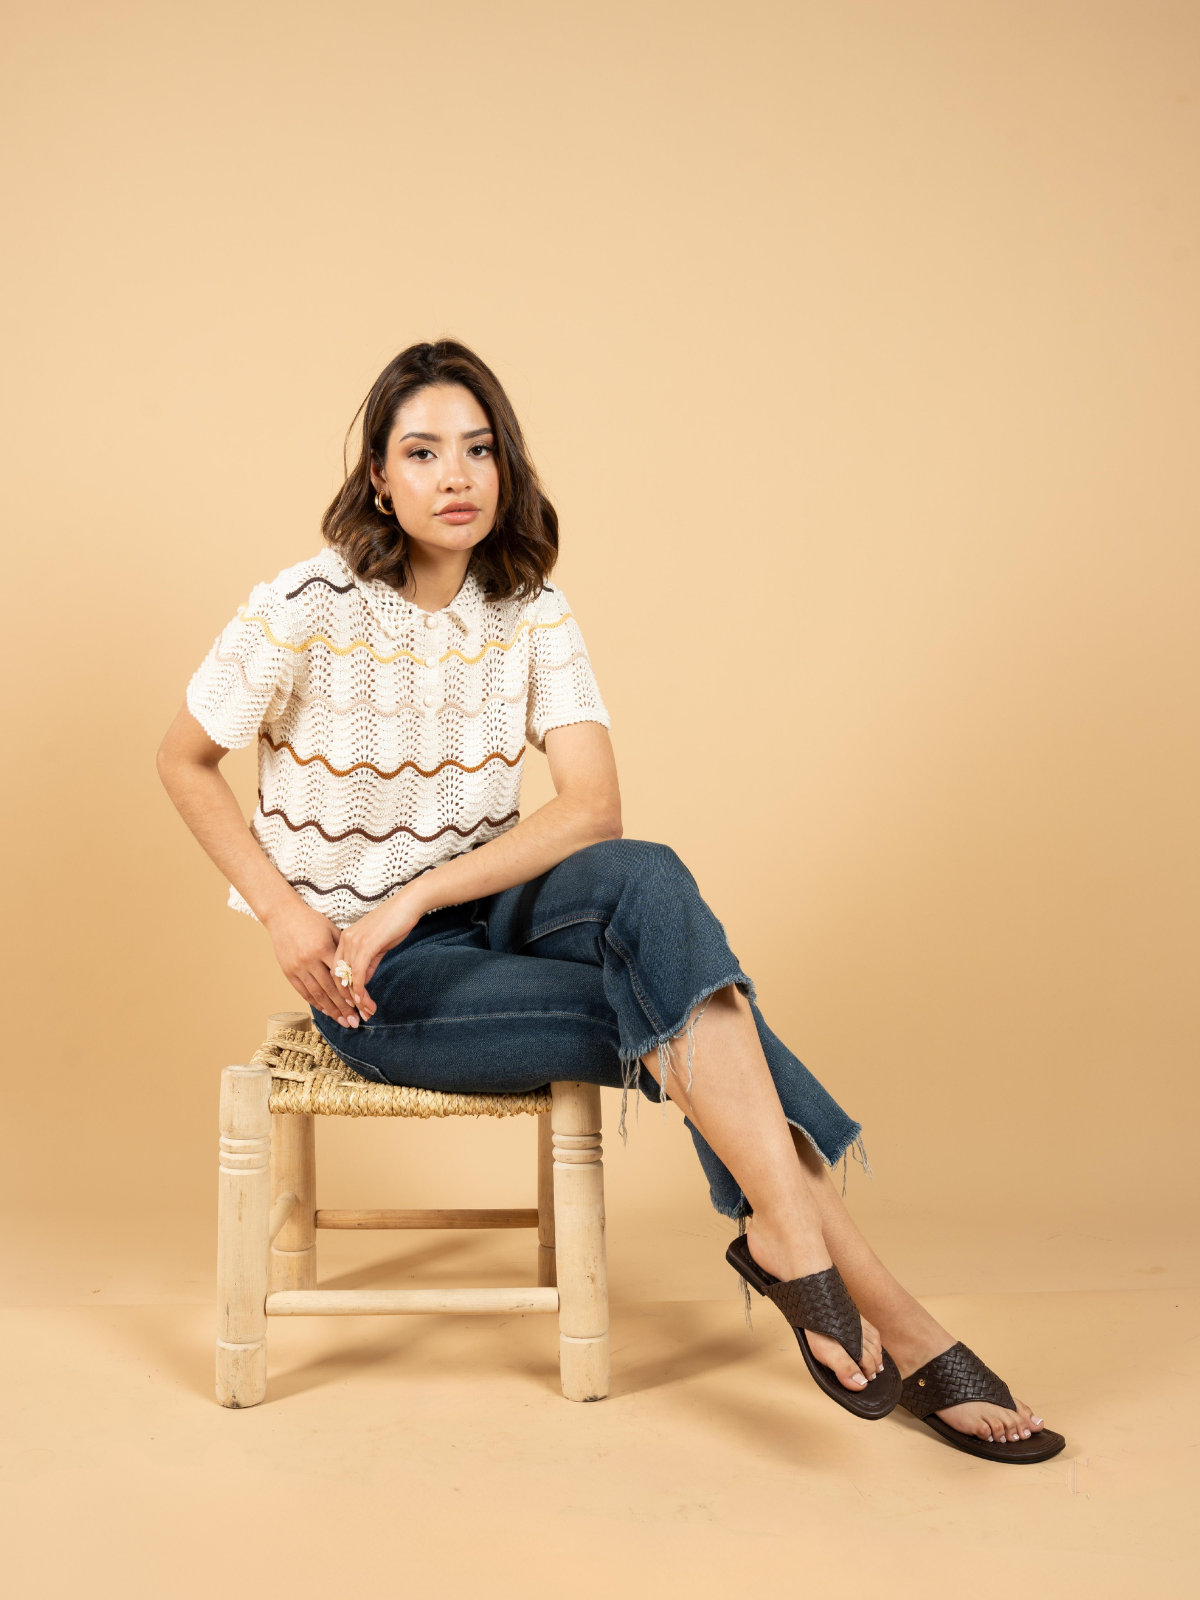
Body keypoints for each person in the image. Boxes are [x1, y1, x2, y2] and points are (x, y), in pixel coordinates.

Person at [158, 339, 1063, 1462]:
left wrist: (415, 893)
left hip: (487, 910)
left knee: (650, 877)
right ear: (378, 476)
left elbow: (593, 809)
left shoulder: (529, 608)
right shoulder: (308, 604)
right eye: (423, 452)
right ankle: (894, 1314)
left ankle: (791, 1247)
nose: (457, 476)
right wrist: (291, 915)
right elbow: (182, 758)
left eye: (479, 449)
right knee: (692, 1012)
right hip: (377, 983)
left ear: (507, 464)